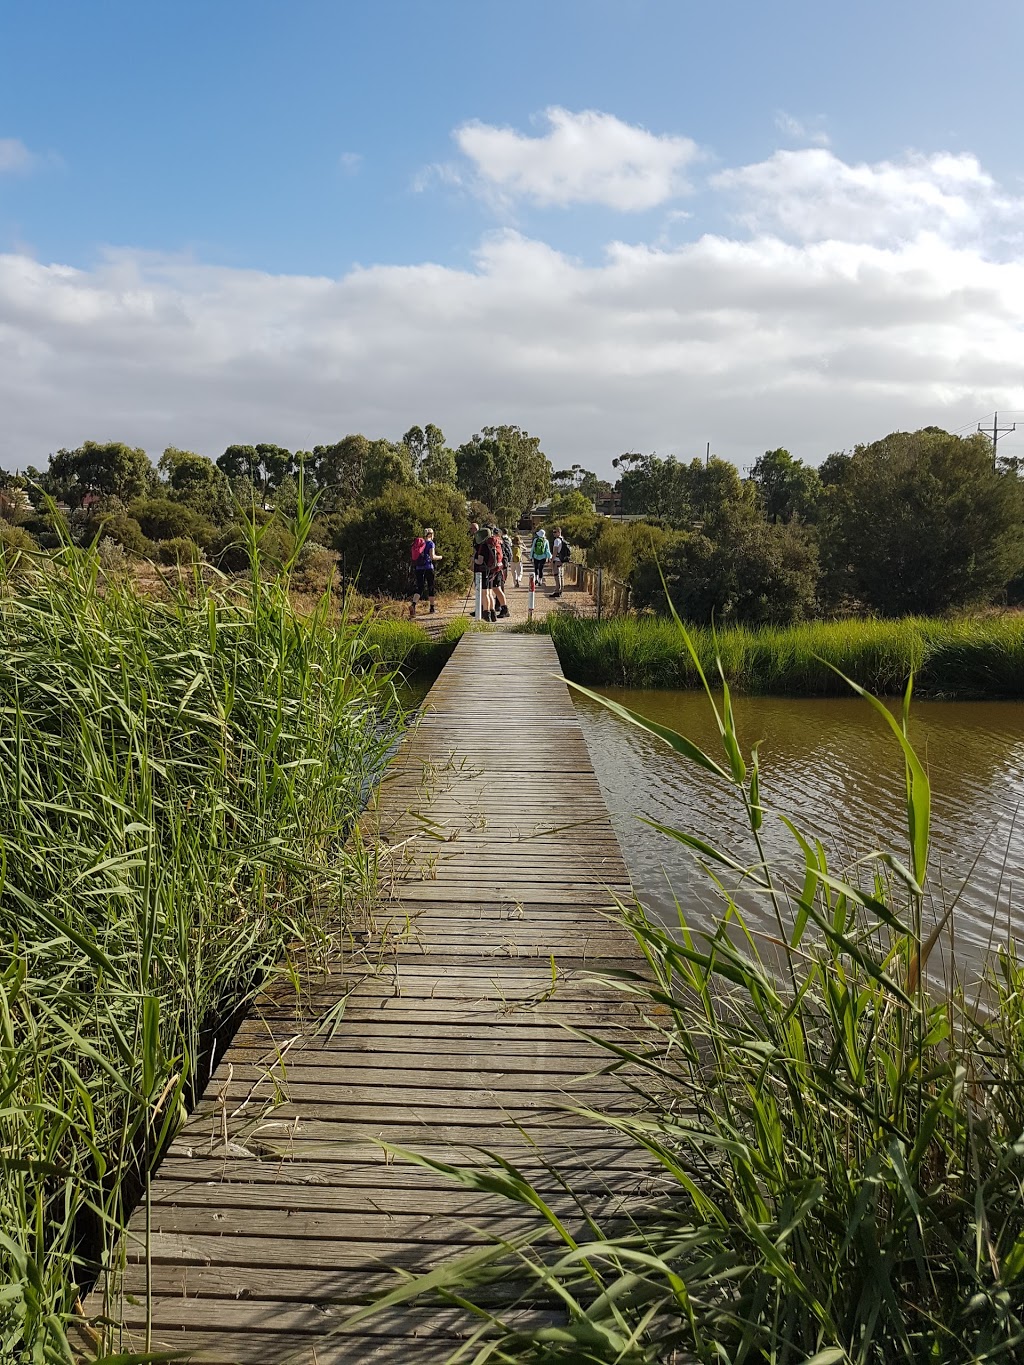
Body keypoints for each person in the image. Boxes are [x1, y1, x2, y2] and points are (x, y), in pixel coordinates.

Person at [410, 527, 441, 615]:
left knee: (420, 587)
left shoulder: (420, 543)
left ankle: (413, 604)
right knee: (430, 587)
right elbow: (432, 557)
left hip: (418, 568)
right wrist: (440, 557)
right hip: (428, 567)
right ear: (431, 534)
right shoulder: (430, 543)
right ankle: (432, 608)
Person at [473, 525, 496, 622]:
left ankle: (486, 614)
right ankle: (492, 612)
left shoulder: (482, 546)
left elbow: (480, 561)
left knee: (484, 593)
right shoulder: (491, 544)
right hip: (490, 571)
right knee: (490, 593)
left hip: (482, 571)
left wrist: (473, 559)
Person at [490, 529, 510, 619]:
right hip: (499, 568)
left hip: (498, 569)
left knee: (497, 589)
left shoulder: (499, 543)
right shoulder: (500, 542)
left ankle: (504, 609)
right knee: (495, 589)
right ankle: (495, 608)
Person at [549, 526, 569, 598]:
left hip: (557, 560)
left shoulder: (556, 540)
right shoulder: (562, 539)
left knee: (556, 575)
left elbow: (555, 551)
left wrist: (552, 560)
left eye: (555, 532)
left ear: (558, 532)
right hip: (562, 560)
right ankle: (560, 590)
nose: (553, 534)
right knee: (561, 575)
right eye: (553, 532)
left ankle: (557, 590)